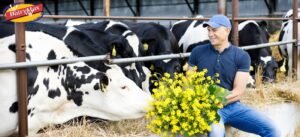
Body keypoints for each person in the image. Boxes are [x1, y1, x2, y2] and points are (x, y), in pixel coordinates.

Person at [187, 14, 280, 137]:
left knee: (272, 130)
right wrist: (201, 103)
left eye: (214, 30)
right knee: (216, 132)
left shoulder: (241, 56)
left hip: (233, 107)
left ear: (227, 30)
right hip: (209, 109)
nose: (210, 34)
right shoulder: (197, 52)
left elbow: (238, 91)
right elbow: (189, 82)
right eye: (208, 30)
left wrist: (217, 100)